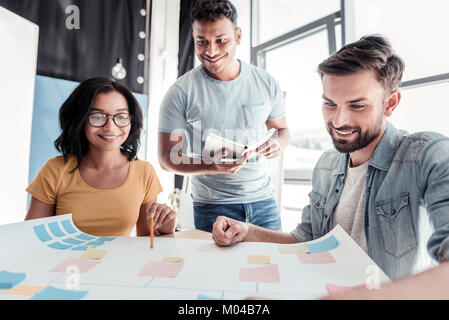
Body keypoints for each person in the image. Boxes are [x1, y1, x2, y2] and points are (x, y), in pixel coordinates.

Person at [211, 35, 449, 299]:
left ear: (390, 103)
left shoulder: (428, 155)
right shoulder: (326, 165)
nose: (339, 120)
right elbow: (308, 240)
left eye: (357, 106)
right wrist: (248, 231)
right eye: (330, 104)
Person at [158, 0, 290, 232]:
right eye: (202, 42)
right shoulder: (180, 92)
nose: (210, 51)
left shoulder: (266, 83)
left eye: (221, 41)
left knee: (270, 267)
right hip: (212, 206)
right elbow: (167, 157)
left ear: (238, 36)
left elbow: (282, 130)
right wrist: (210, 165)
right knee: (219, 270)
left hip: (264, 203)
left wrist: (277, 143)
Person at [25, 77, 176, 237]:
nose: (110, 127)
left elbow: (147, 242)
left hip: (121, 262)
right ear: (81, 119)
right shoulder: (55, 171)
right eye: (97, 116)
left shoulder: (144, 172)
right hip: (65, 262)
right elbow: (31, 238)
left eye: (121, 116)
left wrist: (166, 230)